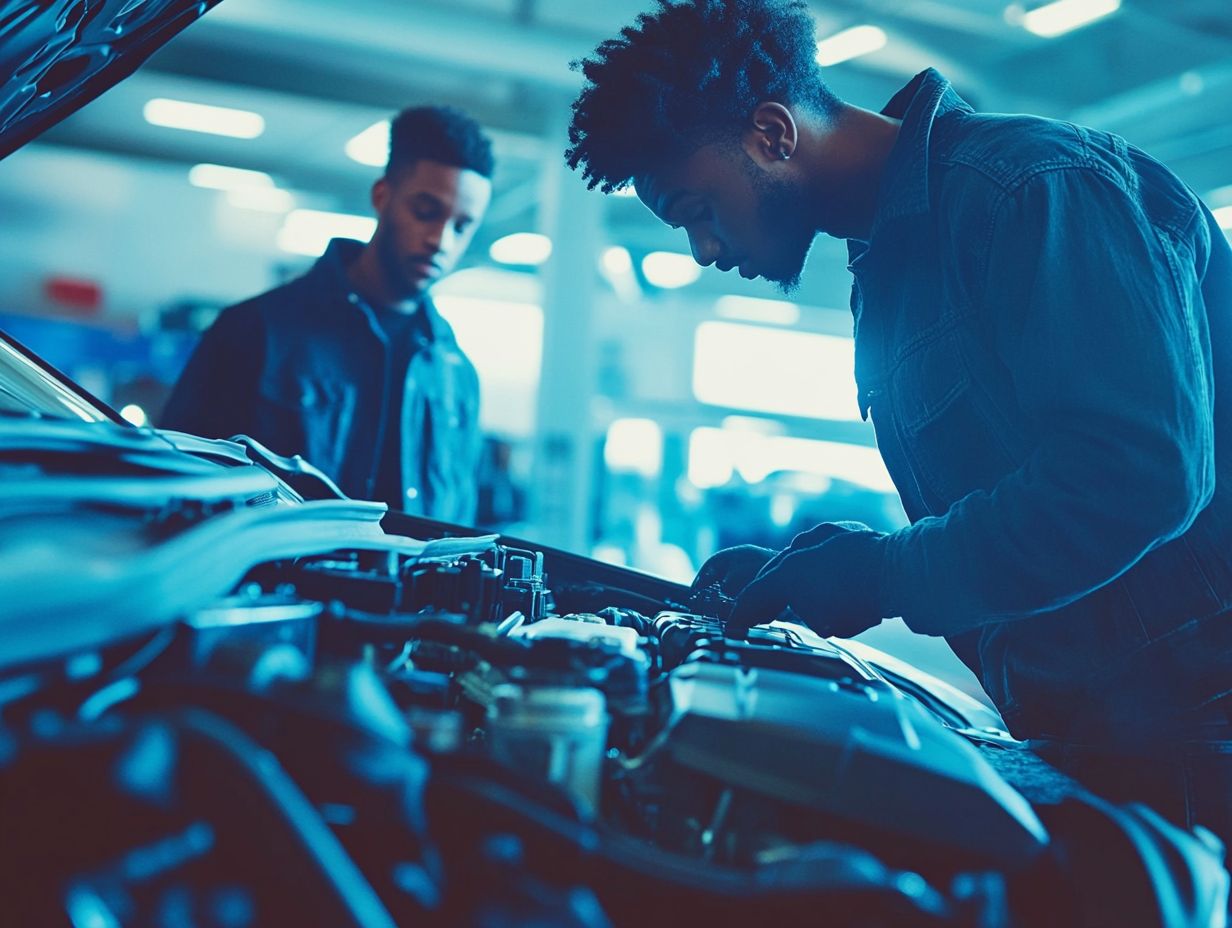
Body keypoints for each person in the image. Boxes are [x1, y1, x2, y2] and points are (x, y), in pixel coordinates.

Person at [565, 0, 1232, 844]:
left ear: (774, 133)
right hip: (1092, 732)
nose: (701, 248)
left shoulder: (1034, 187)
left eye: (696, 208)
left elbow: (1137, 473)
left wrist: (882, 574)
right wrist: (833, 557)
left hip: (1199, 741)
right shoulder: (888, 265)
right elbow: (1016, 487)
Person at [162, 106, 493, 522]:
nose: (441, 240)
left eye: (462, 226)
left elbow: (460, 520)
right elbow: (176, 489)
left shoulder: (456, 375)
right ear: (382, 196)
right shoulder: (254, 331)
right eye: (426, 212)